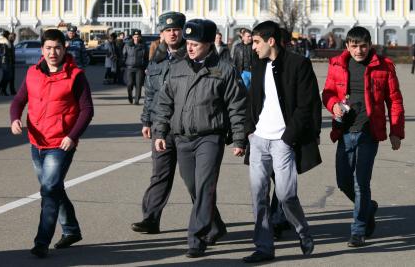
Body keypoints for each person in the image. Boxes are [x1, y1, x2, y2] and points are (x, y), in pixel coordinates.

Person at [153, 19, 246, 258]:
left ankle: (197, 237)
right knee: (194, 187)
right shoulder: (178, 68)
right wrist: (160, 132)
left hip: (210, 137)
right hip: (182, 138)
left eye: (195, 43)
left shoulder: (224, 69)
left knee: (204, 186)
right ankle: (215, 226)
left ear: (208, 44)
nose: (190, 48)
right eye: (188, 43)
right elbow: (164, 102)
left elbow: (237, 105)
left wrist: (239, 139)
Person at [10, 29, 94, 258]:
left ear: (64, 48)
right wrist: (15, 118)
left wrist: (72, 136)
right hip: (36, 142)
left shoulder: (76, 75)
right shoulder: (32, 73)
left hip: (61, 143)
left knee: (48, 190)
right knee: (54, 188)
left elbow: (87, 110)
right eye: (48, 47)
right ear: (42, 50)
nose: (52, 52)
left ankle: (41, 242)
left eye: (57, 47)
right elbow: (19, 100)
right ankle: (71, 230)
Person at [243, 20, 321, 263]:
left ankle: (302, 230)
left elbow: (306, 106)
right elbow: (252, 102)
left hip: (283, 142)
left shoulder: (299, 64)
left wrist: (288, 138)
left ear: (271, 41)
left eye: (256, 42)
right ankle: (264, 248)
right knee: (259, 196)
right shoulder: (257, 66)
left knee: (286, 195)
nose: (252, 46)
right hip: (259, 140)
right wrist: (249, 133)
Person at [322, 26, 404, 247]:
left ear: (370, 45)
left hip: (369, 131)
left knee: (361, 183)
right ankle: (368, 207)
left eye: (363, 46)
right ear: (347, 45)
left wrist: (396, 132)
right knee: (343, 181)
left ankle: (358, 230)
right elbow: (328, 93)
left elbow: (394, 101)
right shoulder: (337, 64)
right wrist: (333, 105)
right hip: (345, 131)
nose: (359, 50)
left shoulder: (383, 66)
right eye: (355, 46)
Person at [133, 12, 187, 234]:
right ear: (161, 34)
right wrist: (147, 120)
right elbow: (151, 93)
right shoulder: (156, 60)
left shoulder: (192, 56)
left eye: (175, 29)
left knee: (194, 180)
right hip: (161, 127)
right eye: (167, 30)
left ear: (182, 31)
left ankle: (212, 224)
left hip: (186, 126)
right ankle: (151, 219)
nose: (172, 33)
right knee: (160, 174)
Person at [123, 29, 148, 105]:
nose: (136, 38)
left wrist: (146, 67)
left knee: (138, 84)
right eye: (135, 37)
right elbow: (123, 56)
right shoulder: (127, 45)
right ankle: (130, 96)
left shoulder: (143, 46)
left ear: (140, 37)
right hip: (129, 67)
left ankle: (137, 100)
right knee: (129, 84)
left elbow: (146, 58)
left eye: (138, 37)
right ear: (132, 37)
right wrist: (122, 65)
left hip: (139, 68)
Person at [0, 31, 16, 96]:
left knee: (8, 77)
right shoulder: (5, 43)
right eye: (9, 35)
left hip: (8, 62)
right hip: (6, 62)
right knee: (7, 77)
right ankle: (1, 89)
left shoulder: (7, 43)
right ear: (7, 35)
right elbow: (4, 54)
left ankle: (2, 90)